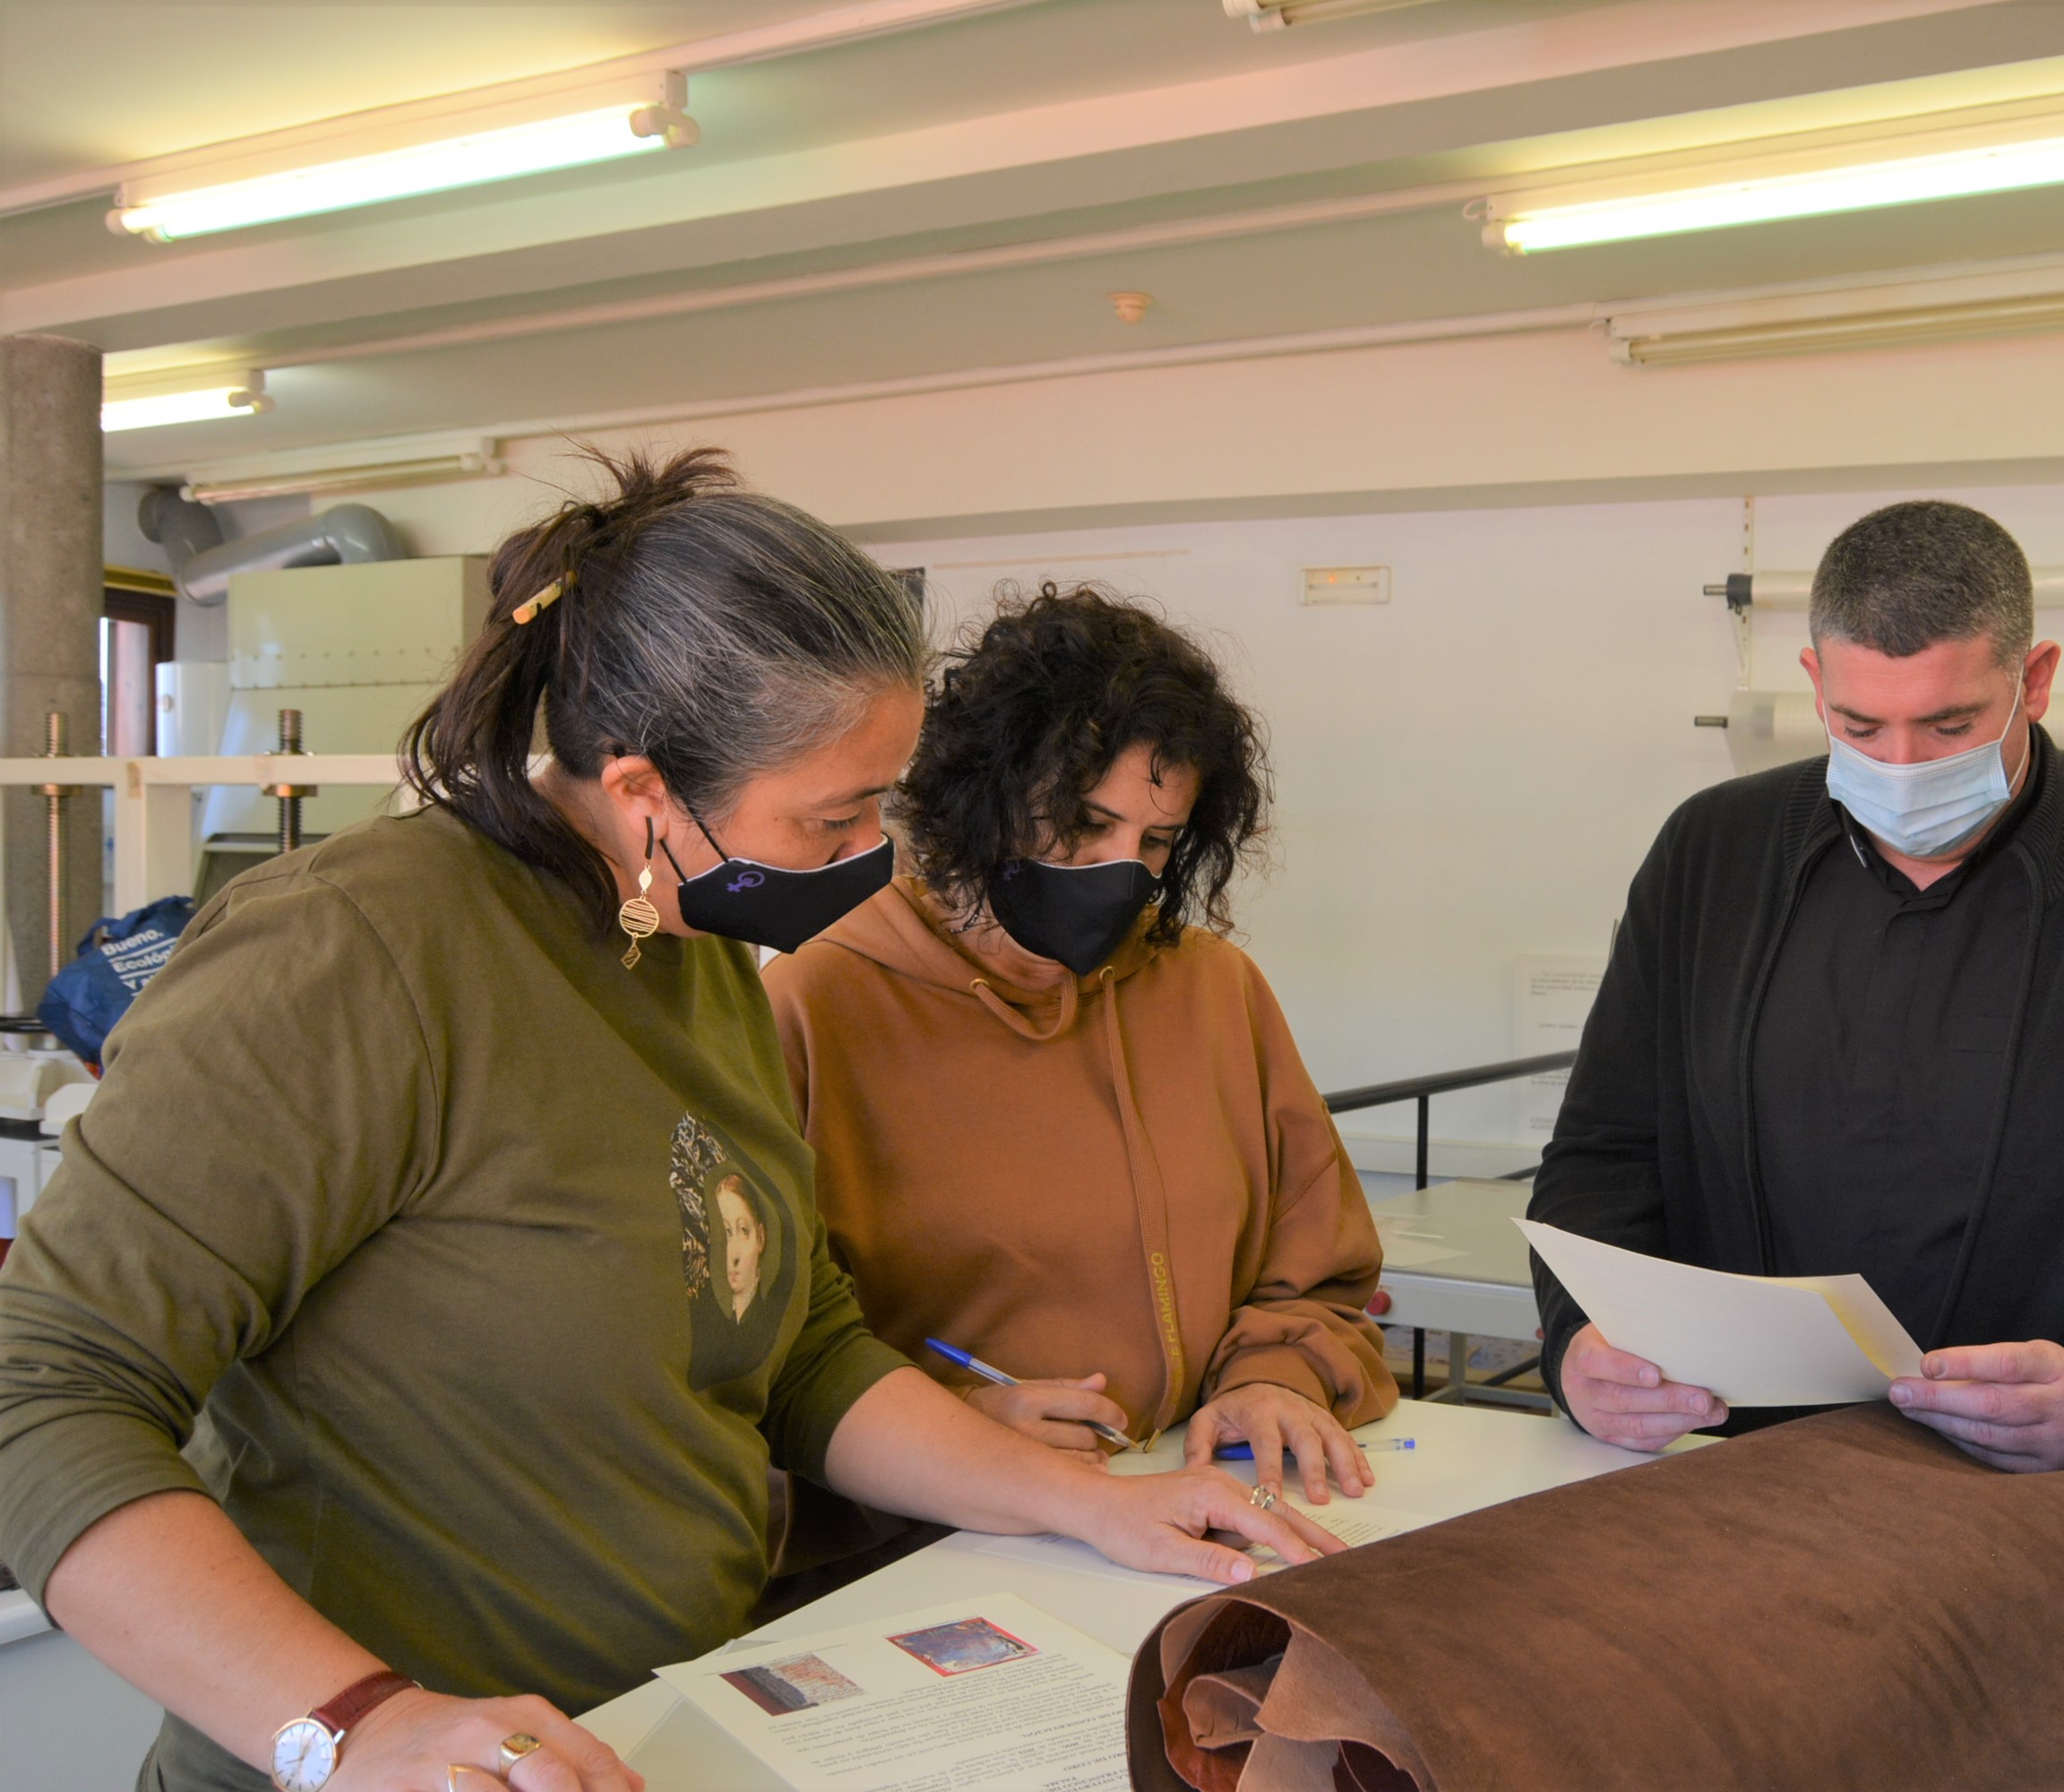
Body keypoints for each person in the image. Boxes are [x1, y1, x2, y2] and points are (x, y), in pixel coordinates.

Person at [0, 453, 1335, 1792]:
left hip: (659, 1734)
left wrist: (1088, 1506)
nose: (878, 851)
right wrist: (353, 1722)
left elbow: (801, 1345)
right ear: (645, 792)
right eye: (836, 816)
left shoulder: (683, 942)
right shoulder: (359, 951)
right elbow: (42, 1390)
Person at [1528, 499, 2064, 1471]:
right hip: (1729, 1472)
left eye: (1950, 724)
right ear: (1813, 682)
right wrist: (1578, 1346)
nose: (1901, 768)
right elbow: (1604, 1159)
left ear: (2033, 681)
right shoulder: (1713, 853)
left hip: (2043, 1497)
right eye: (1858, 724)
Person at [765, 585, 1394, 1510]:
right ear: (984, 795)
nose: (1121, 870)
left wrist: (1275, 1375)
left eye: (1156, 841)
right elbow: (763, 1347)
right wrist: (960, 1417)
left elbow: (1318, 1269)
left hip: (1196, 1493)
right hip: (942, 1531)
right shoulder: (817, 1004)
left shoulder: (1215, 989)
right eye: (1087, 823)